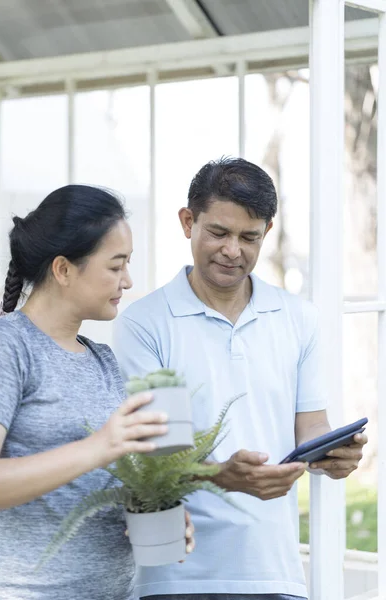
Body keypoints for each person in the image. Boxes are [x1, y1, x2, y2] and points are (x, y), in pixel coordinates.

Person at [115, 158, 367, 600]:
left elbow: (311, 428)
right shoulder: (147, 322)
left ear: (267, 233)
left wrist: (336, 454)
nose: (233, 250)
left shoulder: (298, 318)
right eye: (219, 233)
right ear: (188, 222)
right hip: (175, 576)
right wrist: (222, 476)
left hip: (274, 571)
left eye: (249, 237)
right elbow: (155, 456)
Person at [0, 185, 194, 600]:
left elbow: (102, 476)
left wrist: (156, 508)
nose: (128, 280)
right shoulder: (4, 346)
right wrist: (98, 447)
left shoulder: (102, 359)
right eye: (116, 266)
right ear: (63, 269)